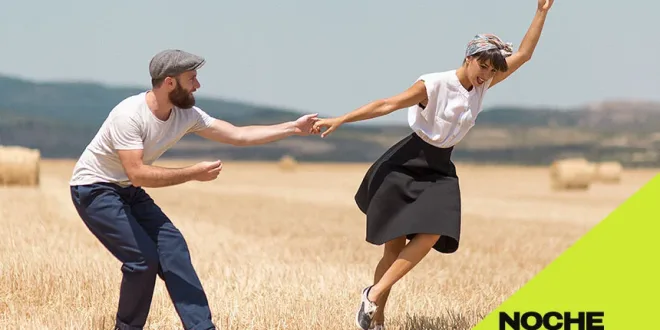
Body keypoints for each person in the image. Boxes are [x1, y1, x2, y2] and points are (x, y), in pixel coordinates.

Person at [312, 1, 554, 329]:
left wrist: (541, 11)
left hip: (440, 167)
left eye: (492, 69)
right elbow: (387, 104)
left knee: (435, 230)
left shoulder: (482, 86)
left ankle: (372, 293)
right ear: (468, 58)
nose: (486, 74)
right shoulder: (434, 84)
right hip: (405, 162)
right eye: (482, 65)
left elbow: (524, 55)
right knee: (392, 250)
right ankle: (377, 319)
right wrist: (341, 119)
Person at [68, 49, 318, 330]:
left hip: (128, 189)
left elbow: (238, 134)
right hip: (94, 188)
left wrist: (293, 128)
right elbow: (137, 173)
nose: (198, 85)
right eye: (192, 78)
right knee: (142, 260)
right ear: (170, 82)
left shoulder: (185, 114)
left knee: (173, 248)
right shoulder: (128, 115)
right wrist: (192, 174)